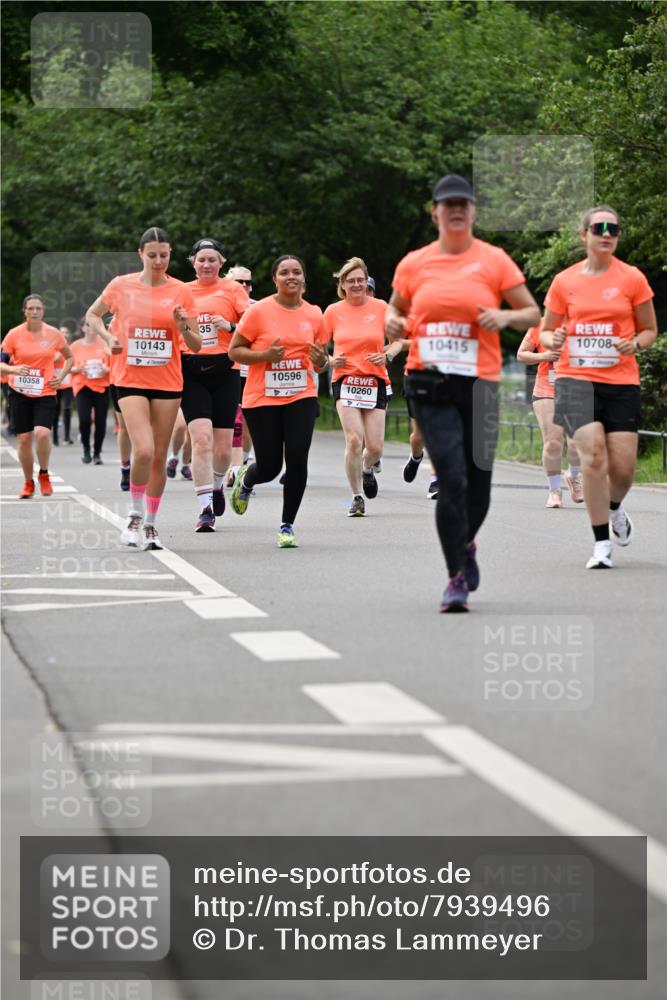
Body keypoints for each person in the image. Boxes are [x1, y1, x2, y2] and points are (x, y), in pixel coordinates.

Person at [386, 174, 540, 612]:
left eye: (464, 204)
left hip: (480, 384)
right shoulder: (415, 263)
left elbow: (531, 310)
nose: (456, 210)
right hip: (429, 380)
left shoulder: (493, 260)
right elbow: (395, 312)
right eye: (447, 204)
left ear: (473, 212)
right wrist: (393, 324)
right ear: (434, 212)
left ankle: (466, 541)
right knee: (451, 478)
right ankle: (455, 575)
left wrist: (502, 317)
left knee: (480, 486)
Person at [540, 205, 657, 569]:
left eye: (613, 229)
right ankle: (601, 544)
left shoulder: (632, 278)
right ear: (584, 235)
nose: (606, 233)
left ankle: (615, 508)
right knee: (593, 457)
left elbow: (650, 330)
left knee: (622, 471)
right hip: (576, 379)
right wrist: (554, 337)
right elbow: (545, 330)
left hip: (621, 381)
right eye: (599, 227)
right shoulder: (565, 281)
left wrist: (635, 344)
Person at [86, 226, 201, 550]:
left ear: (170, 255)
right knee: (145, 450)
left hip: (167, 381)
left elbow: (197, 343)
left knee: (160, 456)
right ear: (141, 255)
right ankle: (134, 516)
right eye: (152, 255)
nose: (158, 261)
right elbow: (93, 315)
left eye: (164, 255)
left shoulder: (181, 291)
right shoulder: (121, 286)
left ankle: (150, 524)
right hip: (129, 379)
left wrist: (183, 327)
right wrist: (109, 339)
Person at [228, 254, 329, 547]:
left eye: (296, 272)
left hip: (302, 394)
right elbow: (235, 351)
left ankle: (287, 525)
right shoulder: (258, 311)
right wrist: (264, 356)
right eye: (284, 272)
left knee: (297, 458)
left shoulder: (314, 314)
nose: (291, 276)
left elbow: (321, 360)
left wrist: (322, 360)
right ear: (275, 280)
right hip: (262, 397)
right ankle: (247, 480)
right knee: (271, 466)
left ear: (304, 280)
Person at [181, 238, 249, 531]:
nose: (206, 264)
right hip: (191, 370)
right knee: (201, 440)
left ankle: (218, 485)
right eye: (201, 260)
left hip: (226, 369)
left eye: (212, 260)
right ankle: (205, 509)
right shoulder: (181, 291)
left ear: (221, 263)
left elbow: (251, 323)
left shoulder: (232, 289)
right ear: (193, 263)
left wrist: (230, 326)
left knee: (223, 451)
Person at [323, 256, 397, 516]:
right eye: (350, 281)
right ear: (342, 284)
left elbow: (398, 341)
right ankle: (356, 496)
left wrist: (387, 355)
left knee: (374, 448)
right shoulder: (333, 311)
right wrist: (330, 359)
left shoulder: (381, 307)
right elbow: (318, 348)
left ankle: (368, 468)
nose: (356, 285)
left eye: (360, 280)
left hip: (374, 380)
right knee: (354, 440)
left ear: (367, 282)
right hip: (345, 380)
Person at [1, 294, 73, 497]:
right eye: (30, 308)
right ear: (24, 311)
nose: (34, 312)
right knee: (24, 439)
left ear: (43, 311)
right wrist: (13, 370)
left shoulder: (54, 334)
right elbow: (1, 362)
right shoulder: (14, 335)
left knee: (42, 433)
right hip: (19, 392)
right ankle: (27, 482)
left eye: (38, 308)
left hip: (45, 391)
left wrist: (61, 376)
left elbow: (70, 357)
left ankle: (43, 473)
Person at [517, 324, 583, 507]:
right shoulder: (539, 326)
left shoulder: (582, 322)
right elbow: (521, 354)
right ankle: (555, 491)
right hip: (546, 388)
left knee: (577, 441)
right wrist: (544, 356)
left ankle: (573, 475)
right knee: (553, 441)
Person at [225, 264, 256, 484]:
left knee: (248, 427)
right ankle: (234, 470)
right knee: (233, 423)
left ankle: (243, 463)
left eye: (248, 282)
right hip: (229, 371)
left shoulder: (258, 308)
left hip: (253, 373)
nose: (244, 285)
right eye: (239, 282)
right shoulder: (222, 306)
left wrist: (230, 326)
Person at [70, 318, 111, 464]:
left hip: (101, 387)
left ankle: (97, 452)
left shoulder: (105, 344)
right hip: (83, 387)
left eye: (94, 325)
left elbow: (115, 365)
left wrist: (107, 370)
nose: (91, 328)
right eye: (88, 325)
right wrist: (77, 369)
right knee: (85, 420)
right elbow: (68, 367)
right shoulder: (75, 346)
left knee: (100, 421)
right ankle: (86, 449)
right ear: (82, 328)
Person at [107, 318, 132, 491]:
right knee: (125, 427)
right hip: (120, 378)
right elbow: (106, 347)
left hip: (150, 380)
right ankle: (125, 467)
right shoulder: (116, 322)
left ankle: (143, 467)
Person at [53, 325, 74, 446]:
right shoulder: (53, 347)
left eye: (66, 333)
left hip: (68, 382)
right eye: (62, 333)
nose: (64, 335)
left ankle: (67, 436)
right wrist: (61, 353)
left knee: (67, 407)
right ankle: (55, 436)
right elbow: (52, 360)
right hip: (56, 382)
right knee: (55, 410)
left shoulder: (72, 347)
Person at [166, 409, 192, 480]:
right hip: (179, 399)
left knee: (191, 432)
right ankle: (174, 457)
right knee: (180, 426)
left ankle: (185, 465)